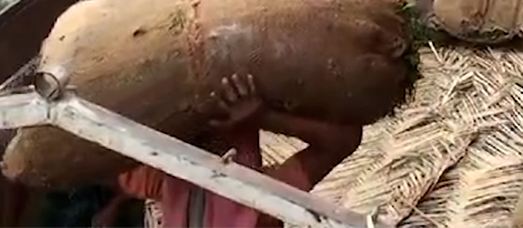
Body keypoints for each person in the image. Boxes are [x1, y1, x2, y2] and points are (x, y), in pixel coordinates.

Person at [92, 73, 362, 228]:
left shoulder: (162, 185)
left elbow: (103, 164)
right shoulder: (257, 205)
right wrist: (263, 117)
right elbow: (344, 140)